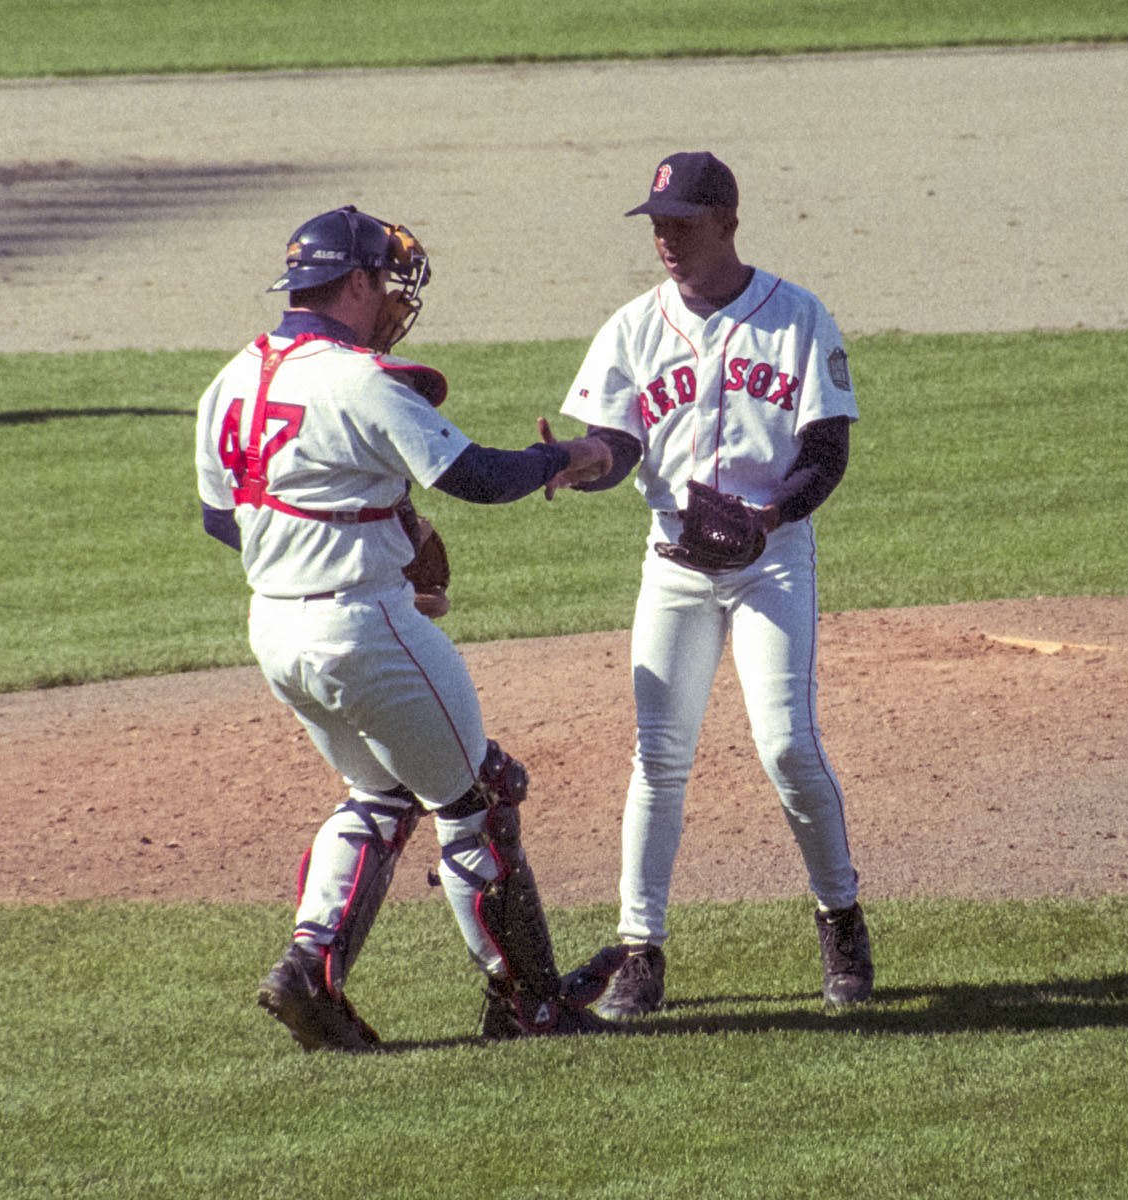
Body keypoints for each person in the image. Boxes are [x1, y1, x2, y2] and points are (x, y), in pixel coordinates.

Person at [193, 204, 621, 1051]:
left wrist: (343, 539)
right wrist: (565, 457)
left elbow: (220, 519)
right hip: (365, 626)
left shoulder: (230, 380)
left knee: (381, 795)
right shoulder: (358, 380)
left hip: (275, 630)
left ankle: (309, 970)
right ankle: (530, 1006)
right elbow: (475, 475)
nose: (395, 300)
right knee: (477, 800)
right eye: (386, 281)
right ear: (353, 282)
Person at [552, 152, 873, 1016]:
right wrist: (578, 463)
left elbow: (828, 452)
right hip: (674, 560)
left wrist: (773, 514)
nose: (666, 238)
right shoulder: (633, 328)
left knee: (787, 745)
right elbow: (617, 446)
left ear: (728, 222)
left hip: (772, 559)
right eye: (658, 223)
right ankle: (639, 950)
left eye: (683, 223)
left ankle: (839, 914)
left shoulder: (799, 317)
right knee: (658, 757)